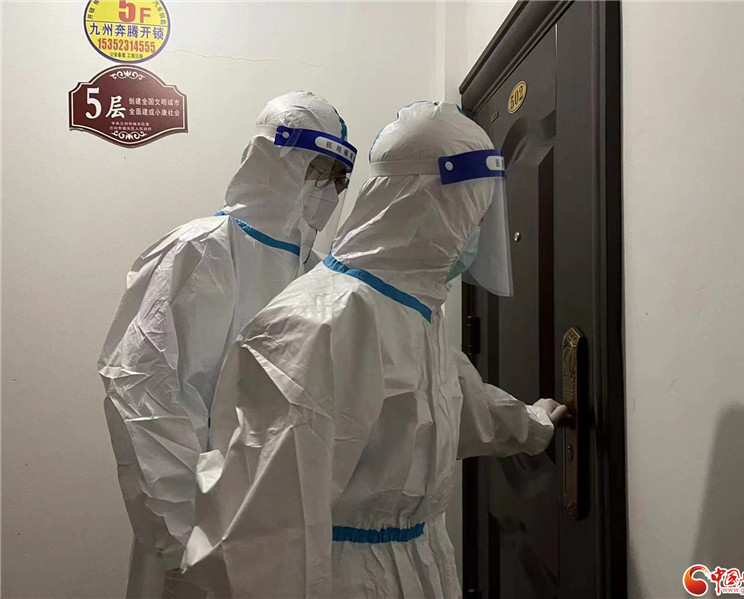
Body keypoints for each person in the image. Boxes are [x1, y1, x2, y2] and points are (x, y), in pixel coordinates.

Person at [181, 101, 567, 598]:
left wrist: (534, 425)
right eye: (472, 209)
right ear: (427, 202)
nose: (475, 232)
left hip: (417, 562)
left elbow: (453, 406)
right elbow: (264, 532)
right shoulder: (321, 322)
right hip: (337, 578)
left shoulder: (411, 311)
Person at [98, 91, 356, 599]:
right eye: (316, 168)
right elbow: (144, 392)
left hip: (289, 530)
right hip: (199, 533)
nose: (325, 188)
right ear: (271, 158)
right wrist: (188, 530)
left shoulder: (317, 274)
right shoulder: (200, 250)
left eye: (337, 177)